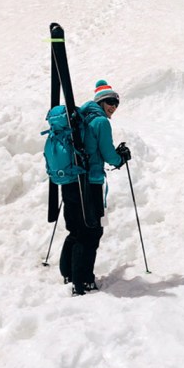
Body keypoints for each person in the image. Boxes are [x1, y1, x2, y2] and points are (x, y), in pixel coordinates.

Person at [59, 80, 131, 295]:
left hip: (71, 180)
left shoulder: (79, 116)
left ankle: (69, 273)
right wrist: (121, 159)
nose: (113, 106)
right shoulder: (100, 122)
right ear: (100, 101)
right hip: (89, 184)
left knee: (75, 229)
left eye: (116, 103)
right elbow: (108, 154)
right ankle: (83, 281)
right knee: (91, 231)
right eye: (109, 101)